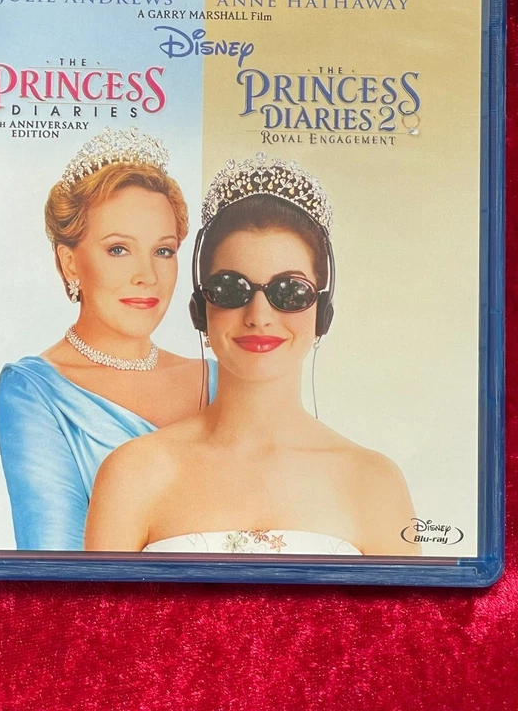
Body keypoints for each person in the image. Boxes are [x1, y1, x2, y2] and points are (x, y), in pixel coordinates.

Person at [84, 155, 418, 556]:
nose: (259, 316)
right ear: (200, 309)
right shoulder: (132, 474)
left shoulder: (375, 484)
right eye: (231, 289)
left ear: (322, 313)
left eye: (289, 292)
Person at [0, 128, 215, 550]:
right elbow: (55, 561)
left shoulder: (217, 378)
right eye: (118, 249)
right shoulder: (35, 391)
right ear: (69, 262)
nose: (147, 275)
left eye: (163, 251)